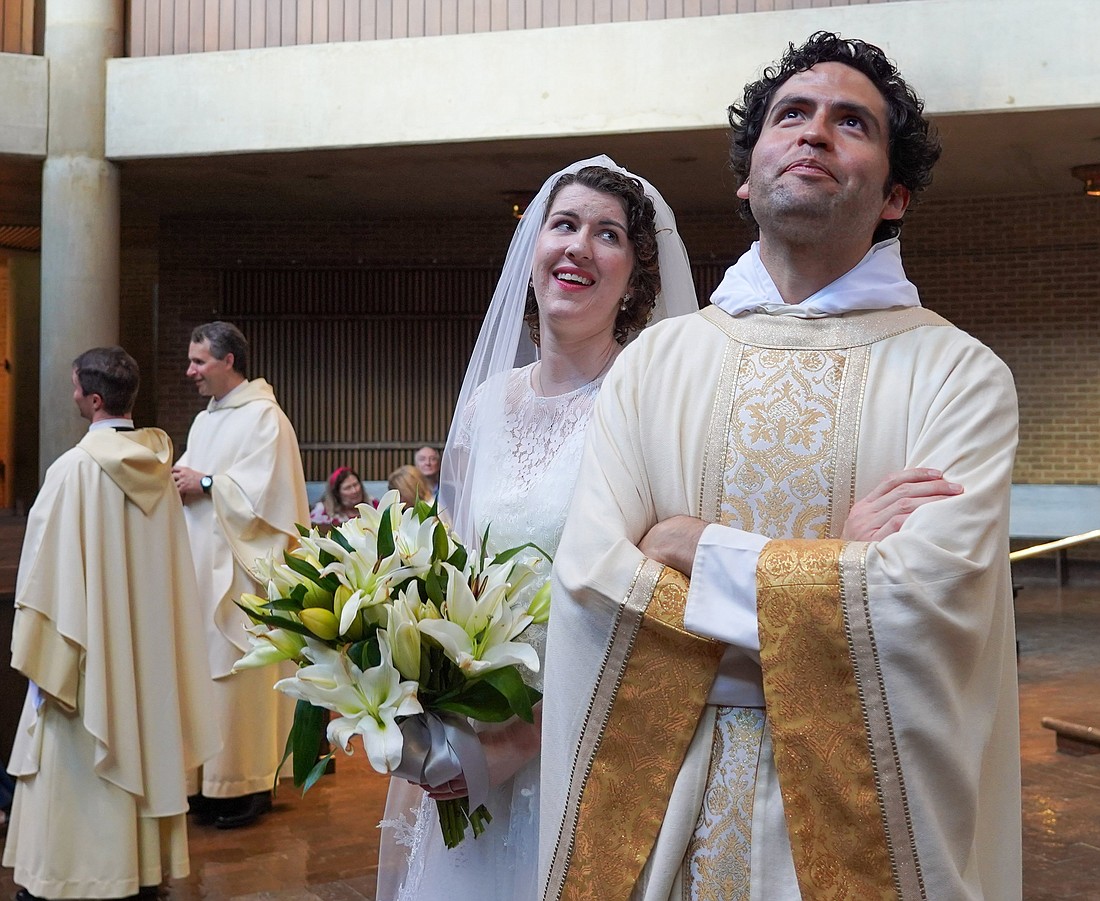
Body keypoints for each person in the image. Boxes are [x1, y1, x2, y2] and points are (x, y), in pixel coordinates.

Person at [539, 32, 1020, 901]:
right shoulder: (656, 362)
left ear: (895, 195)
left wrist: (696, 545)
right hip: (666, 812)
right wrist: (836, 567)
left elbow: (924, 596)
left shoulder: (960, 375)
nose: (814, 133)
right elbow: (592, 581)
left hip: (864, 818)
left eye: (852, 123)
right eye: (790, 114)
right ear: (746, 171)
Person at [374, 157, 702, 901]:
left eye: (608, 234)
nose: (579, 246)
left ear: (636, 277)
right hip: (476, 753)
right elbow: (446, 578)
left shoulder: (645, 402)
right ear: (532, 255)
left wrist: (525, 739)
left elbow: (661, 611)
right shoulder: (488, 402)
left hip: (585, 752)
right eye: (564, 224)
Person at [3, 347, 220, 899]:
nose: (72, 395)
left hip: (89, 660)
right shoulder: (160, 470)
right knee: (140, 745)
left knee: (75, 758)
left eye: (75, 388)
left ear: (93, 399)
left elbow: (43, 581)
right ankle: (138, 872)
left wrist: (43, 651)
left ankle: (74, 874)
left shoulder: (72, 471)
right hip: (145, 661)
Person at [171, 321, 310, 829]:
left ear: (229, 361)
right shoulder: (207, 420)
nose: (190, 371)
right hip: (202, 571)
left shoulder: (264, 419)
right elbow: (189, 478)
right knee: (205, 681)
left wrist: (207, 481)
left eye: (199, 361)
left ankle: (247, 785)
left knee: (241, 681)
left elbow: (268, 498)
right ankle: (210, 783)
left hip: (243, 576)